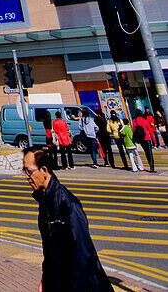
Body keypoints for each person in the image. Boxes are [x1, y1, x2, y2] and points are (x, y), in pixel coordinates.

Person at [22, 147, 113, 292]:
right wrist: (46, 279)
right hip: (60, 280)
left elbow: (82, 253)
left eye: (29, 171)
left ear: (44, 170)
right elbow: (50, 248)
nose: (27, 176)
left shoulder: (67, 203)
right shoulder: (45, 200)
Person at [132, 107, 156, 172]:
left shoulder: (135, 121)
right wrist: (154, 141)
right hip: (147, 138)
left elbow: (134, 130)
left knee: (146, 152)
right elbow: (150, 131)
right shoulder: (144, 120)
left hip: (141, 139)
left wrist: (135, 139)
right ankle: (152, 167)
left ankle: (150, 164)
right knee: (150, 153)